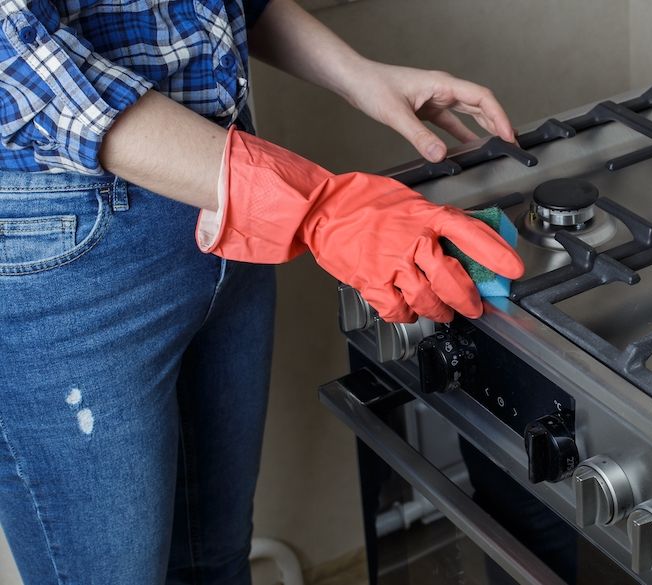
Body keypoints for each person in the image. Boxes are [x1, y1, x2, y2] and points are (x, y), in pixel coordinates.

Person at [0, 0, 524, 583]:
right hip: (69, 252)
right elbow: (16, 61)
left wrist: (358, 76)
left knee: (217, 559)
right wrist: (316, 207)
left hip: (234, 200)